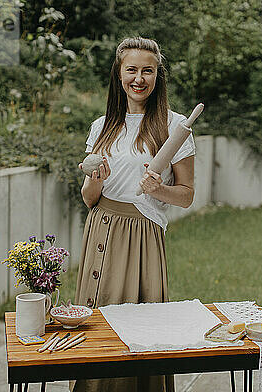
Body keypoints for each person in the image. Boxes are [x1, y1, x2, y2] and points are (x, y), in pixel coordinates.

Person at [74, 36, 196, 392]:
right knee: (96, 318)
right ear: (119, 74)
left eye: (148, 70)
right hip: (100, 227)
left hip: (142, 234)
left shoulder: (175, 127)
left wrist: (158, 189)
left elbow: (187, 196)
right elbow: (88, 198)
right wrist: (95, 180)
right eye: (132, 70)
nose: (139, 78)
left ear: (158, 76)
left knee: (136, 324)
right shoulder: (101, 126)